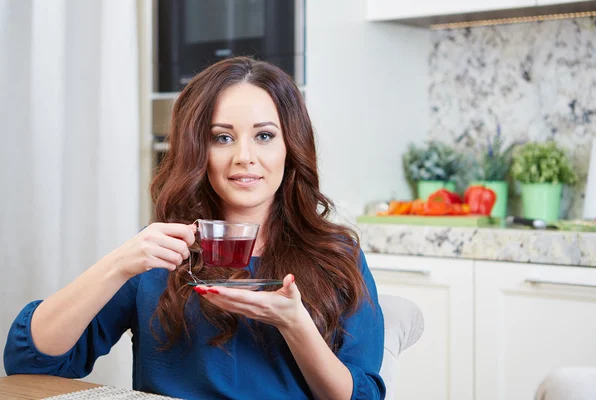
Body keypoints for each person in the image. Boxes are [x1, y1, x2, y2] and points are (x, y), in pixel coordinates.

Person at [4, 57, 385, 399]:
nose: (244, 157)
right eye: (222, 138)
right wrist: (118, 264)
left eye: (264, 136)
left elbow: (360, 395)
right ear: (197, 151)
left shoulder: (335, 255)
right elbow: (32, 364)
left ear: (290, 147)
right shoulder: (160, 255)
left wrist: (295, 323)